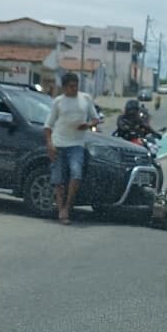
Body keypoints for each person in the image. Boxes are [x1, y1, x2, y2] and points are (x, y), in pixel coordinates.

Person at [43, 73, 99, 224]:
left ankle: (68, 206)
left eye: (76, 86)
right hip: (59, 143)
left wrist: (87, 125)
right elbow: (48, 126)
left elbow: (96, 119)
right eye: (71, 86)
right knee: (58, 179)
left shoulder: (85, 99)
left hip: (77, 144)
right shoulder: (58, 102)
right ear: (64, 87)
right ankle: (61, 210)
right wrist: (50, 144)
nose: (74, 89)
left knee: (76, 174)